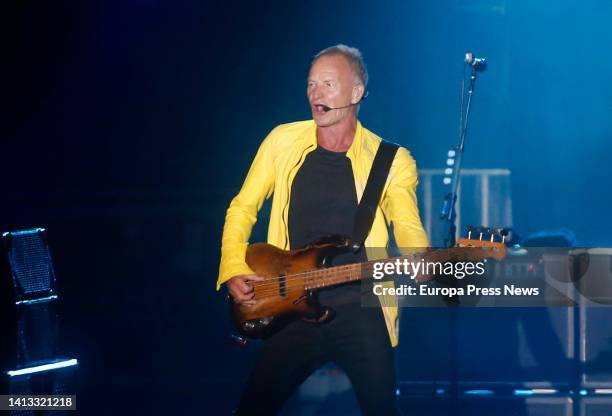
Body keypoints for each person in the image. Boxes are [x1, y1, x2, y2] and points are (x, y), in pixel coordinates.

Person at [217, 44, 429, 415]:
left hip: (361, 307)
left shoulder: (392, 160)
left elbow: (407, 224)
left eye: (328, 84)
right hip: (289, 302)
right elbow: (242, 206)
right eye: (311, 84)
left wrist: (419, 256)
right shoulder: (282, 140)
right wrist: (233, 266)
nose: (316, 94)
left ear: (356, 92)